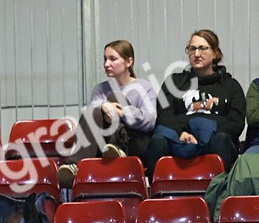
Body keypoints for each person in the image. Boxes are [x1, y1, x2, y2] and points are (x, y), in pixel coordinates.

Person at [144, 29, 246, 181]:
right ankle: (157, 194)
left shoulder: (230, 85)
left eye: (203, 48)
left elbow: (236, 122)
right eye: (192, 49)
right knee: (158, 140)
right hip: (181, 139)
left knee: (221, 139)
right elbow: (164, 115)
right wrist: (181, 133)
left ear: (216, 53)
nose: (197, 54)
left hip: (215, 139)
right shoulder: (174, 82)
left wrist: (209, 133)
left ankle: (219, 193)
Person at [58, 39, 158, 186]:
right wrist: (104, 106)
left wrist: (124, 112)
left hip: (134, 144)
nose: (106, 64)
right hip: (105, 144)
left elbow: (151, 121)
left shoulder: (144, 86)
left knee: (114, 97)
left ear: (128, 62)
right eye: (105, 59)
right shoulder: (100, 89)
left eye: (113, 59)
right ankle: (74, 167)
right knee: (95, 111)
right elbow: (93, 119)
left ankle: (118, 148)